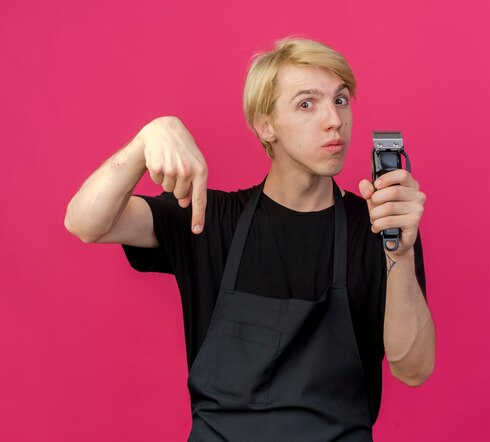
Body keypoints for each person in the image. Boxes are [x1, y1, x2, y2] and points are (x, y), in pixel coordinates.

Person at [65, 37, 435, 441]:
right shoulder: (210, 218)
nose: (334, 120)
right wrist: (149, 137)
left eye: (341, 100)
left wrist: (400, 252)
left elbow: (413, 369)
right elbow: (86, 222)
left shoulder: (381, 228)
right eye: (307, 104)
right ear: (266, 125)